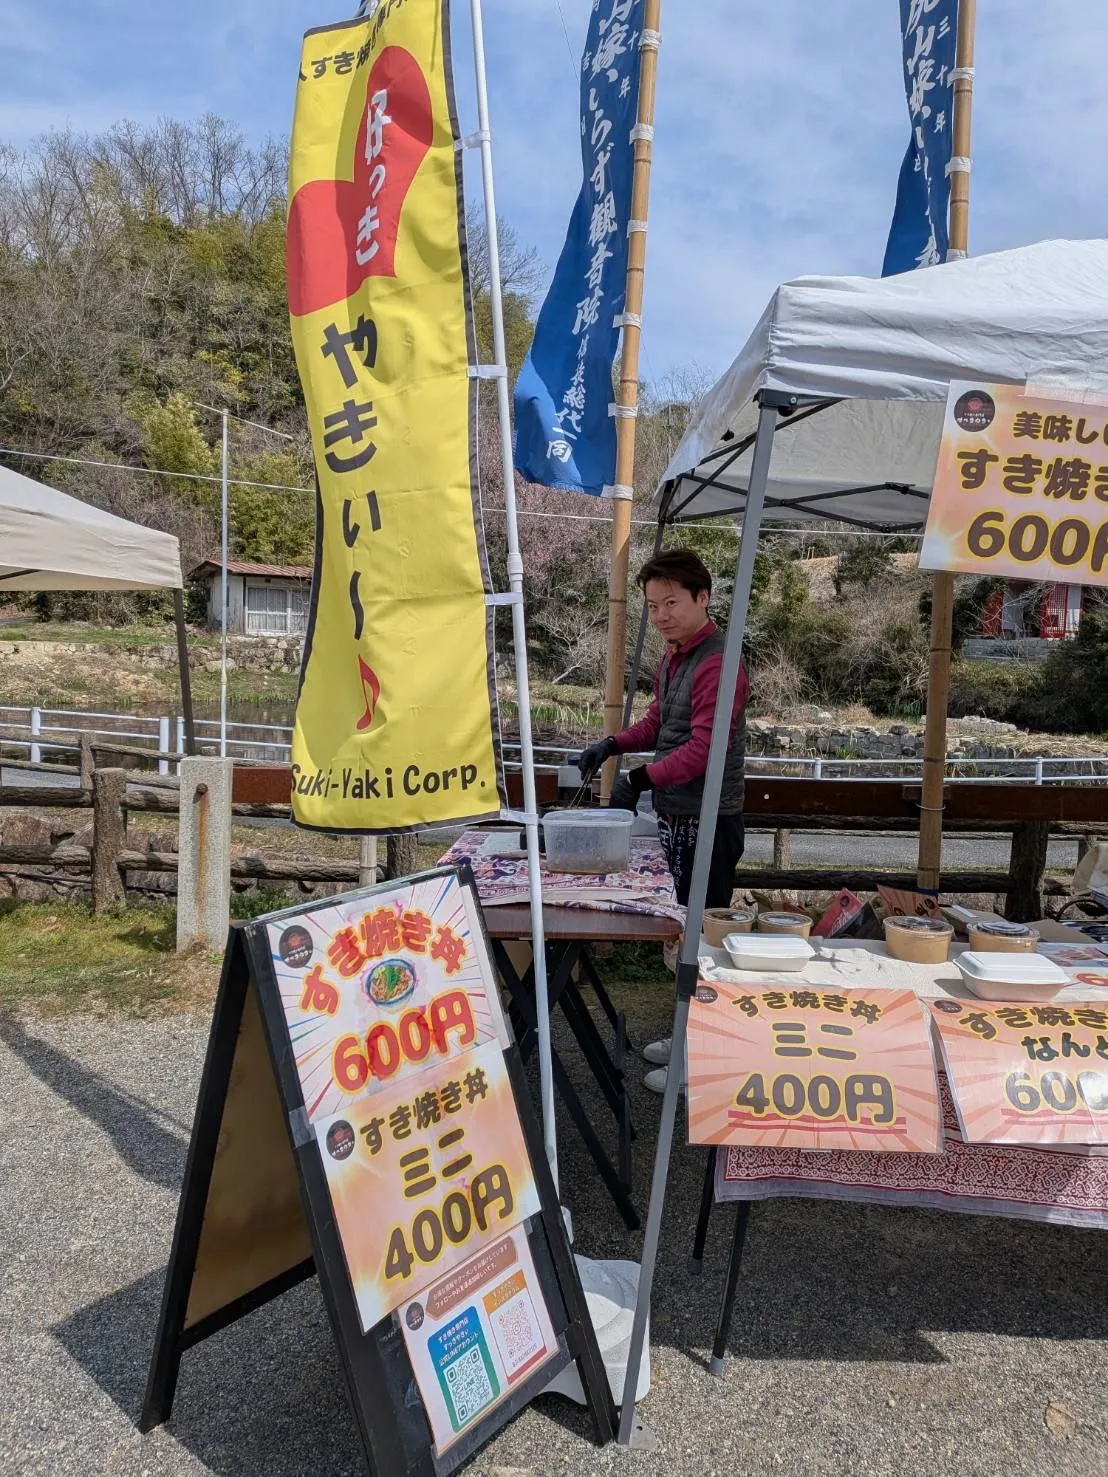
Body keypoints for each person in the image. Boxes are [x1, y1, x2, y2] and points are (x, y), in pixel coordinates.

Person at [576, 548, 747, 1093]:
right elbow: (658, 724)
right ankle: (687, 1036)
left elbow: (704, 750)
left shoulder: (719, 662)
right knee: (681, 935)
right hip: (678, 813)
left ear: (703, 597)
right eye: (653, 606)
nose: (661, 615)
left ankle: (703, 1061)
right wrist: (612, 745)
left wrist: (642, 778)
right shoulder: (675, 657)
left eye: (672, 603)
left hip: (709, 817)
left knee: (701, 943)